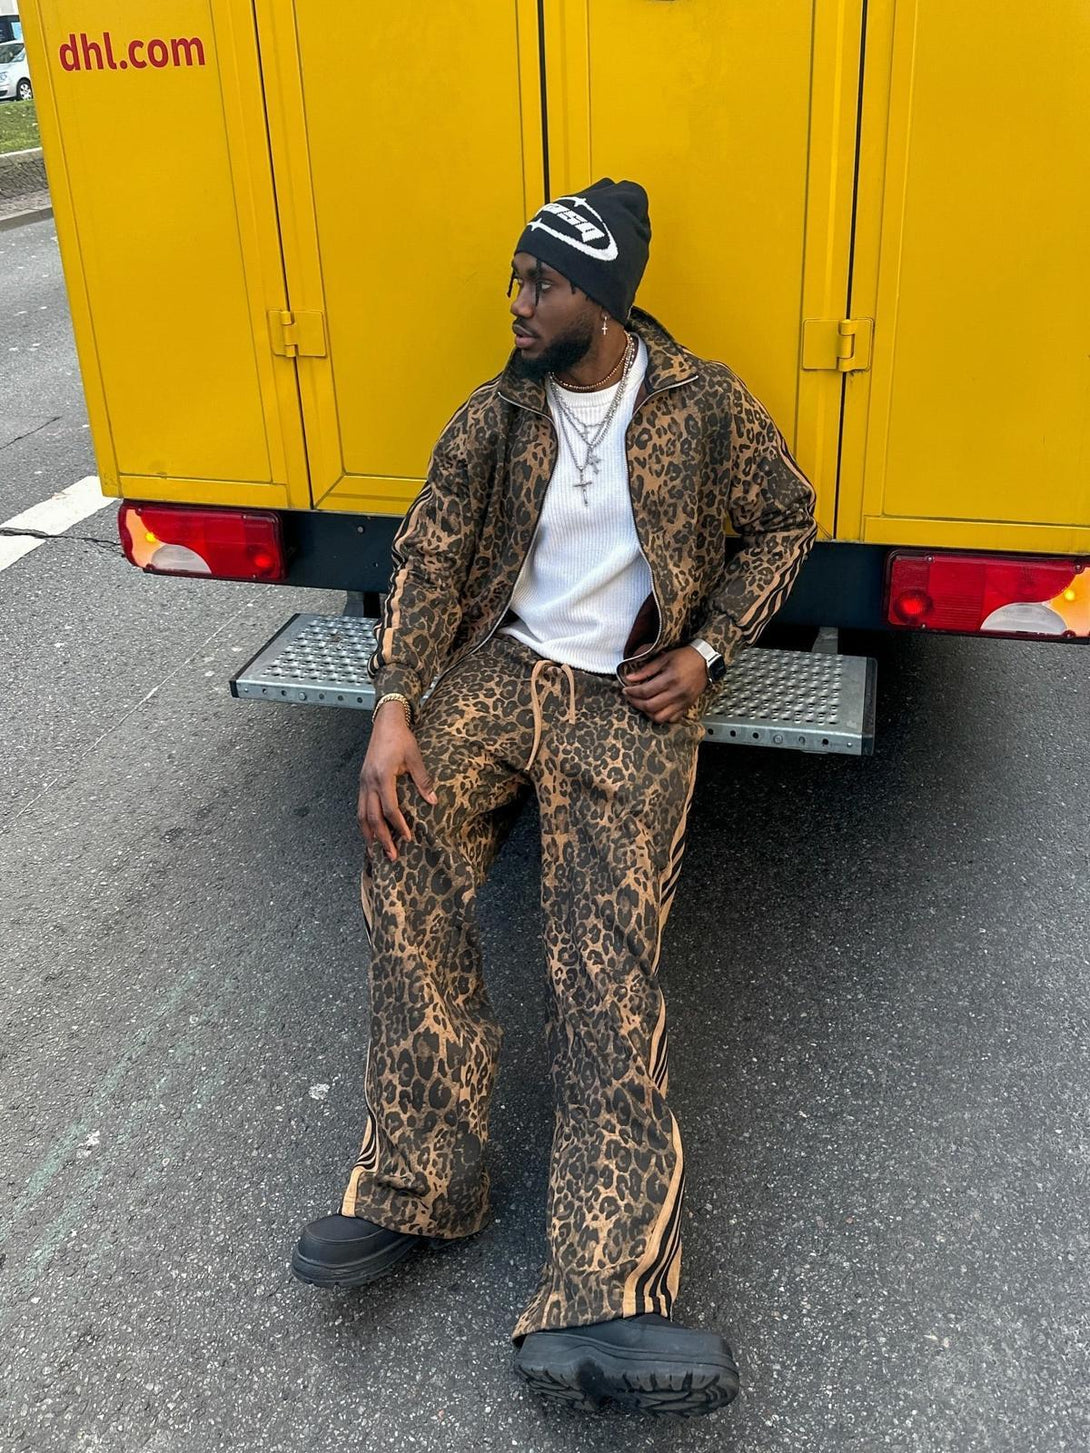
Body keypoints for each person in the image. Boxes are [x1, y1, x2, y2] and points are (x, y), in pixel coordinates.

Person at [291, 179, 817, 1417]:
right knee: (399, 848)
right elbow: (424, 558)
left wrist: (712, 653)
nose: (517, 303)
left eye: (543, 284)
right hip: (502, 674)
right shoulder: (497, 415)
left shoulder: (701, 405)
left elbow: (786, 520)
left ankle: (607, 1290)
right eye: (515, 280)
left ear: (606, 294)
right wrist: (393, 708)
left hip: (627, 699)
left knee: (604, 961)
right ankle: (426, 1181)